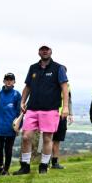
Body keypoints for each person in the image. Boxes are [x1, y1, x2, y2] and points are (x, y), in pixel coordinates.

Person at [14, 44, 69, 175]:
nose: (44, 51)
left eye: (47, 49)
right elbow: (27, 87)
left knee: (47, 138)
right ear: (39, 52)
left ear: (51, 51)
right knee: (26, 137)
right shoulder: (33, 68)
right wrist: (22, 101)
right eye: (42, 50)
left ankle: (43, 165)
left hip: (50, 109)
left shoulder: (58, 68)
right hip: (32, 108)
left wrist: (65, 107)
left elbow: (64, 88)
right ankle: (25, 166)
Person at [0, 73, 21, 175]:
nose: (8, 82)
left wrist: (18, 127)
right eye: (7, 80)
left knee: (8, 149)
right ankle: (0, 166)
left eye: (11, 80)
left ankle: (6, 170)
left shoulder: (17, 94)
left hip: (11, 127)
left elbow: (19, 113)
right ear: (3, 81)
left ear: (14, 82)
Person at [51, 83, 73, 169]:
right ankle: (44, 161)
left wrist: (70, 114)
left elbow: (69, 101)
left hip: (62, 116)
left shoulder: (67, 86)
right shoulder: (49, 82)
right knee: (46, 139)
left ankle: (55, 162)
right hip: (50, 114)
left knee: (57, 140)